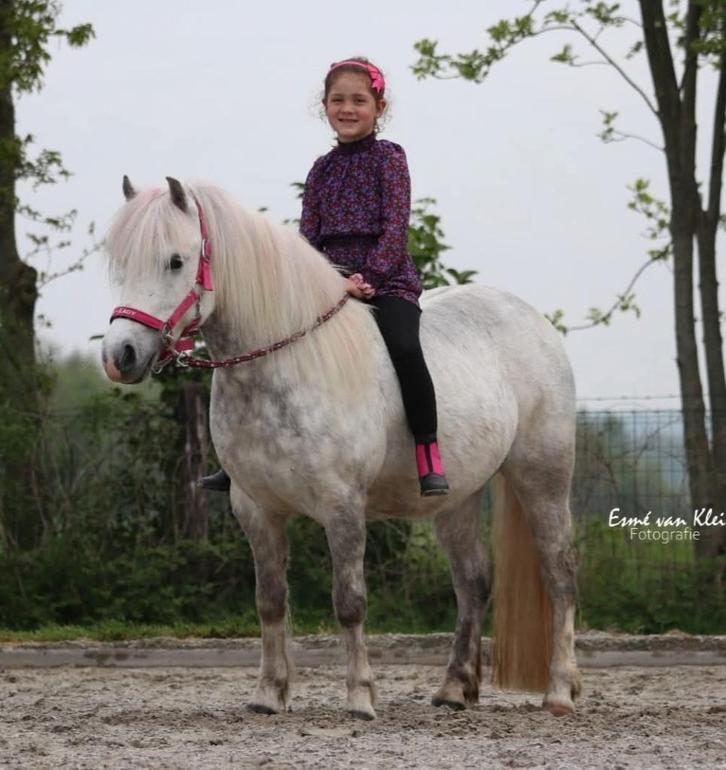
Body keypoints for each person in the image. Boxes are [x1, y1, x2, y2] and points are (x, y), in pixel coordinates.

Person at [201, 56, 448, 496]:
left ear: (378, 107)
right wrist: (317, 282)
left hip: (384, 280)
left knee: (406, 347)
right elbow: (307, 239)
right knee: (263, 340)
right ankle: (237, 456)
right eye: (338, 100)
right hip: (325, 284)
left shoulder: (389, 159)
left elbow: (395, 227)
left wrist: (367, 277)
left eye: (359, 100)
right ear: (325, 106)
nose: (348, 109)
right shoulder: (322, 169)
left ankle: (427, 449)